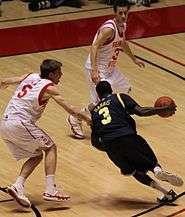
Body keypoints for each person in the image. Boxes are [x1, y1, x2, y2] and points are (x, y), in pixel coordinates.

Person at [0, 59, 91, 208]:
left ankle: (18, 186)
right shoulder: (49, 88)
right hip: (20, 123)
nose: (61, 76)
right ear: (52, 74)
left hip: (5, 123)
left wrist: (3, 84)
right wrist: (89, 120)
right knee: (51, 148)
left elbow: (4, 81)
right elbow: (71, 110)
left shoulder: (30, 76)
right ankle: (50, 190)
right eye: (59, 73)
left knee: (37, 155)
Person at [90, 80, 183, 202]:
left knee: (134, 171)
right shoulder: (119, 97)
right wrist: (162, 109)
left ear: (98, 95)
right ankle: (157, 171)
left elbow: (95, 142)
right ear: (111, 90)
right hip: (127, 136)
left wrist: (109, 147)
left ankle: (166, 193)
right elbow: (140, 111)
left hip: (111, 147)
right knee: (150, 162)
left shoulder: (95, 112)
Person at [68, 0, 145, 139]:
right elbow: (94, 46)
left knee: (125, 89)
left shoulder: (123, 26)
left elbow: (122, 42)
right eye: (120, 13)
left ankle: (115, 115)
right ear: (114, 13)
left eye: (125, 13)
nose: (123, 16)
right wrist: (94, 69)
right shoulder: (109, 29)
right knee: (99, 102)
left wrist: (134, 59)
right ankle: (75, 118)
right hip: (97, 69)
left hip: (110, 69)